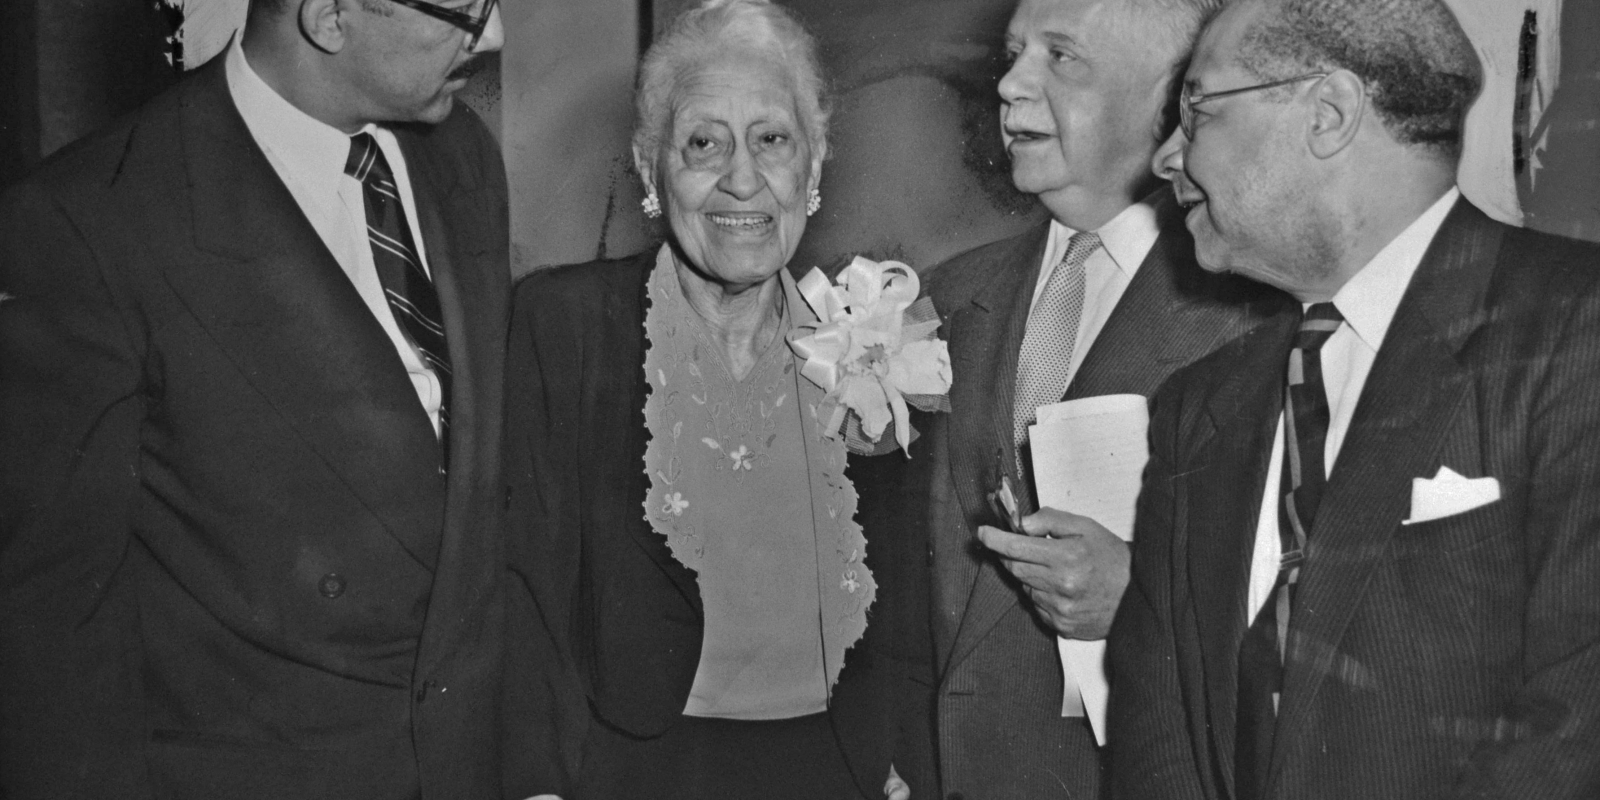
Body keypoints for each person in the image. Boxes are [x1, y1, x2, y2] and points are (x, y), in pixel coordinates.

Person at [0, 0, 514, 796]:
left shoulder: (462, 156)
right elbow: (55, 645)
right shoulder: (90, 222)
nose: (495, 37)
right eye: (466, 9)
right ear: (330, 16)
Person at [1110, 0, 1600, 797]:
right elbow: (1158, 735)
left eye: (1195, 111)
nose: (1166, 157)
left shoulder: (1576, 332)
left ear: (1328, 113)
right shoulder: (1198, 408)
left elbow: (1579, 723)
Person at [500, 1, 931, 798]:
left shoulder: (873, 334)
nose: (742, 177)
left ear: (815, 162)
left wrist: (901, 762)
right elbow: (521, 592)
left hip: (837, 773)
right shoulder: (562, 328)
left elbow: (912, 603)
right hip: (634, 775)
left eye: (772, 140)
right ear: (648, 165)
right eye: (704, 143)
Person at [856, 0, 1285, 796]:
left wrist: (1142, 593)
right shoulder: (949, 298)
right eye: (1015, 54)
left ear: (1168, 99)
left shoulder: (1256, 320)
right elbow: (915, 581)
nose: (1012, 85)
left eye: (1062, 57)